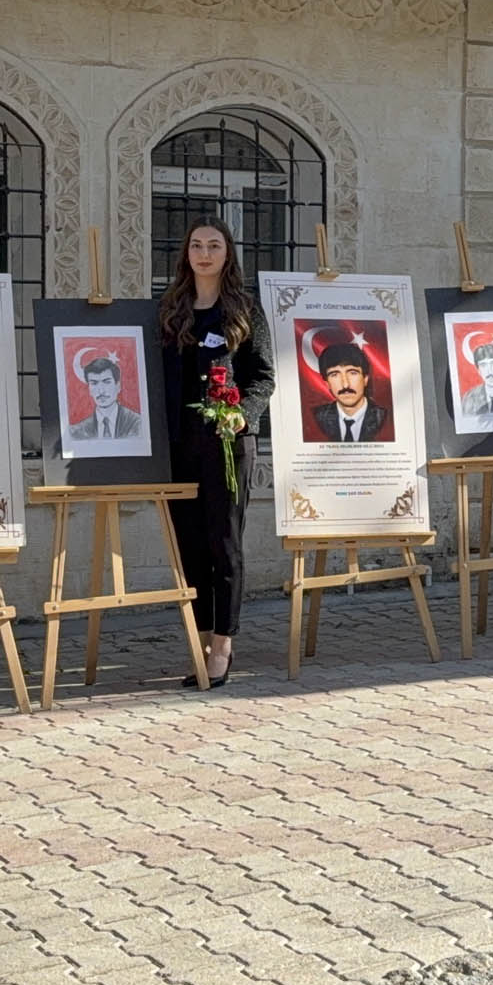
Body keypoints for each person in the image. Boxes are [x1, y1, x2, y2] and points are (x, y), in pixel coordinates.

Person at [158, 219, 275, 688]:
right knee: (188, 545)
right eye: (196, 245)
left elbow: (263, 377)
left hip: (227, 445)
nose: (204, 253)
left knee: (223, 543)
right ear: (186, 254)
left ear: (228, 255)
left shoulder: (245, 310)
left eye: (214, 245)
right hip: (178, 446)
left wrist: (240, 414)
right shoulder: (170, 310)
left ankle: (223, 644)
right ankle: (200, 638)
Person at [309, 337, 392, 443]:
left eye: (352, 373)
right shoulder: (315, 418)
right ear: (327, 383)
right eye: (334, 374)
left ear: (365, 379)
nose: (345, 384)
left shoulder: (386, 418)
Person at [68, 356, 144, 440]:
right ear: (89, 389)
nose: (101, 391)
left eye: (107, 382)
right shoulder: (77, 432)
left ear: (118, 386)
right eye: (94, 383)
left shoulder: (138, 424)